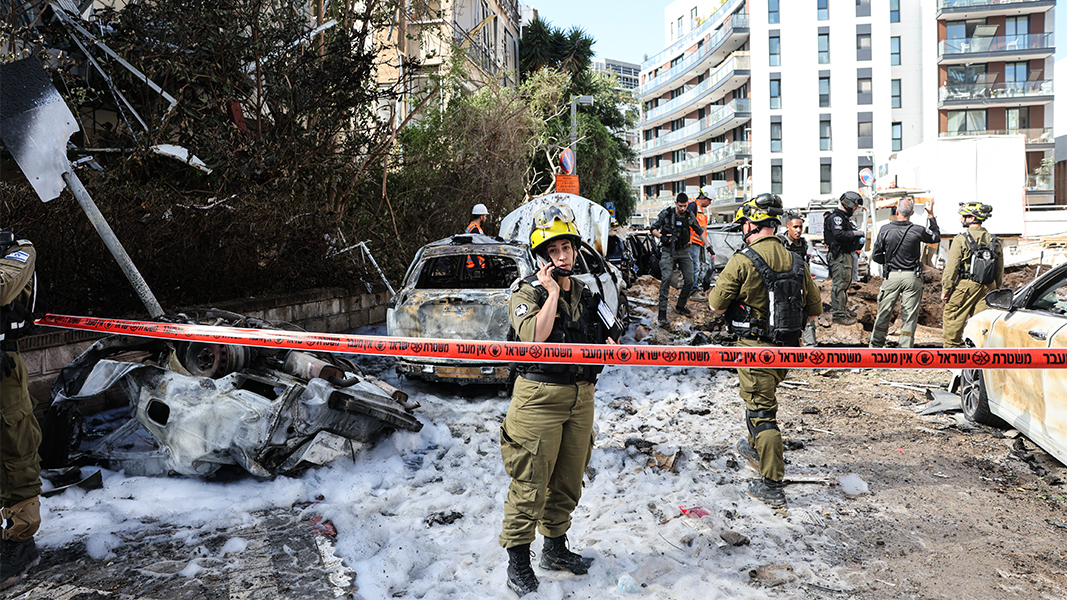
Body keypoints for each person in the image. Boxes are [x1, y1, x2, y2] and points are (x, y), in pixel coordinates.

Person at [500, 204, 619, 597]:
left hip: (581, 398)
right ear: (542, 258)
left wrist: (609, 344)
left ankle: (554, 548)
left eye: (566, 247)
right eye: (553, 251)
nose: (562, 256)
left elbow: (613, 332)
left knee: (568, 479)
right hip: (538, 399)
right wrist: (551, 292)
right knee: (530, 480)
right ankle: (519, 561)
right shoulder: (525, 292)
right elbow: (536, 335)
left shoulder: (586, 293)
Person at [708, 195, 823, 508]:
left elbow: (716, 306)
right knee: (757, 400)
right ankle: (754, 448)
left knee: (762, 414)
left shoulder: (742, 260)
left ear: (749, 224)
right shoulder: (797, 261)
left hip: (755, 350)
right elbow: (814, 311)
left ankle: (771, 483)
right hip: (787, 350)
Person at [0, 231, 42, 590]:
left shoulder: (17, 249)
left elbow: (2, 287)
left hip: (3, 366)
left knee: (15, 448)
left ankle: (20, 540)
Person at [869, 198, 940, 349]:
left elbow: (876, 256)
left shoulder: (885, 229)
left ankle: (875, 346)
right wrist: (932, 216)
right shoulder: (918, 230)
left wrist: (888, 261)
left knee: (884, 312)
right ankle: (905, 350)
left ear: (896, 211)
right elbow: (935, 237)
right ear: (912, 213)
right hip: (912, 277)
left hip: (892, 276)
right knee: (909, 316)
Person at [941, 202, 1003, 349]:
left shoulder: (961, 239)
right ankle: (980, 352)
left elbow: (952, 268)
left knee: (953, 315)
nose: (961, 219)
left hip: (966, 285)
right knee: (981, 322)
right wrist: (996, 287)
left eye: (964, 216)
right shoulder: (994, 240)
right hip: (988, 286)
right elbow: (999, 269)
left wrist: (946, 289)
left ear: (971, 218)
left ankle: (951, 352)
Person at [651, 192, 704, 325]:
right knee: (666, 278)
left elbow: (700, 231)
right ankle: (662, 313)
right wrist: (661, 237)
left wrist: (708, 246)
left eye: (685, 206)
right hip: (668, 250)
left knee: (690, 279)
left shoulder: (689, 215)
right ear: (676, 203)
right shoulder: (667, 213)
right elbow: (653, 229)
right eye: (680, 206)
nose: (682, 208)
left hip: (684, 250)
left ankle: (680, 306)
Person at [824, 191, 867, 325]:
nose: (855, 208)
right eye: (854, 205)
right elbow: (839, 235)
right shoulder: (837, 217)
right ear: (848, 203)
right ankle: (838, 315)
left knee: (844, 285)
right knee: (840, 285)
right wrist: (855, 233)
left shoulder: (843, 218)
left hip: (845, 255)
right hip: (840, 255)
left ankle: (841, 312)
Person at [778, 211, 817, 347]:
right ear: (788, 227)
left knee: (808, 315)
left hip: (800, 284)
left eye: (800, 227)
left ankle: (811, 347)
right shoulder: (780, 243)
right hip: (784, 286)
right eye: (795, 227)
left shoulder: (803, 244)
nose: (798, 230)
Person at [687, 186, 714, 298]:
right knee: (694, 266)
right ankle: (693, 291)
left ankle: (693, 289)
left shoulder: (698, 208)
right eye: (710, 200)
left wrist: (707, 245)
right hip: (691, 243)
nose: (710, 203)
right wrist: (688, 239)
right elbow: (687, 224)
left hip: (697, 243)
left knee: (696, 266)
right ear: (705, 197)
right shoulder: (693, 206)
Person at [466, 203, 489, 269]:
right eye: (485, 216)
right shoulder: (475, 230)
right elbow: (473, 249)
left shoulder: (472, 227)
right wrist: (477, 266)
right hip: (474, 266)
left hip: (473, 265)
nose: (485, 218)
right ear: (481, 217)